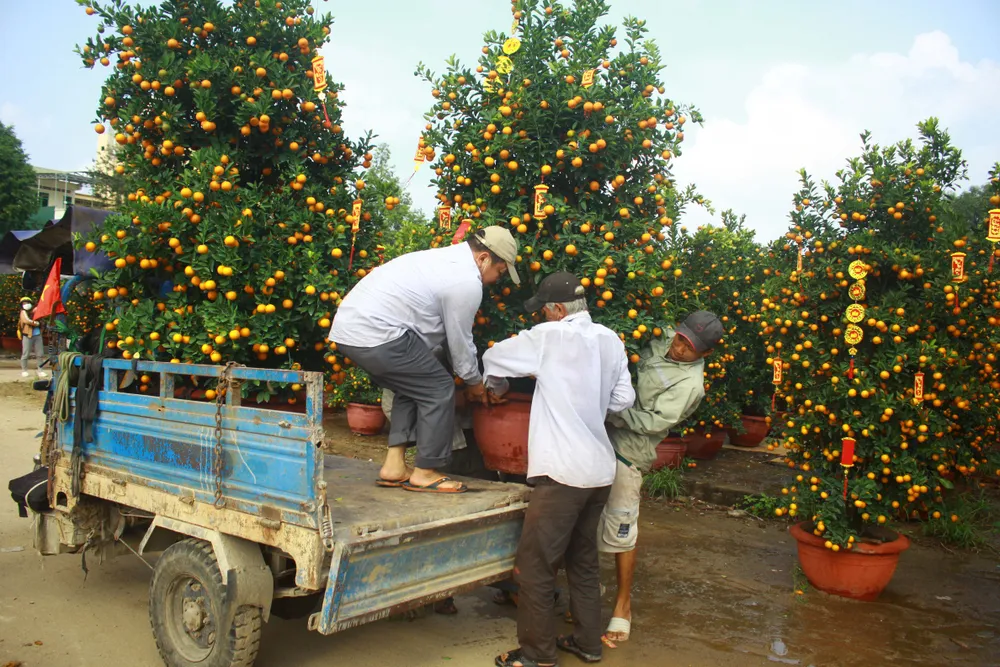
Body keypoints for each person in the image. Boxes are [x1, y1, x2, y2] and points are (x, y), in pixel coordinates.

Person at [483, 272, 635, 667]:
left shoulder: (549, 337)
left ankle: (537, 656)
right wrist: (587, 403)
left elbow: (493, 357)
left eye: (544, 311)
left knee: (535, 567)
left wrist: (499, 384)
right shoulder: (610, 339)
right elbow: (623, 399)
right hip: (599, 472)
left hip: (562, 474)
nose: (542, 317)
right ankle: (587, 643)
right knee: (582, 561)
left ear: (556, 310)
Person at [330, 226, 518, 494]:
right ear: (484, 258)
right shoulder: (465, 281)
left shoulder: (441, 260)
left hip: (351, 330)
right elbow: (459, 341)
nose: (496, 280)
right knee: (439, 388)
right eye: (499, 272)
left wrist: (472, 380)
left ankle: (394, 467)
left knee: (412, 385)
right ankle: (425, 472)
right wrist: (474, 382)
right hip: (376, 332)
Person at [599, 310, 724, 643]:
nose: (679, 349)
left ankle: (623, 606)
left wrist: (610, 410)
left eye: (689, 348)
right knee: (581, 517)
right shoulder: (657, 334)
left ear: (706, 353)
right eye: (680, 339)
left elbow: (652, 422)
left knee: (621, 527)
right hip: (595, 434)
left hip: (628, 450)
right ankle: (586, 592)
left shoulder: (690, 386)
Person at [18, 297, 46, 379]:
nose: (26, 305)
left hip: (37, 335)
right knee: (25, 354)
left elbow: (42, 320)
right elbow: (26, 320)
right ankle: (24, 370)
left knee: (40, 354)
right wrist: (36, 323)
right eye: (24, 303)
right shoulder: (23, 312)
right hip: (27, 335)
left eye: (27, 303)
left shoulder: (35, 311)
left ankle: (40, 370)